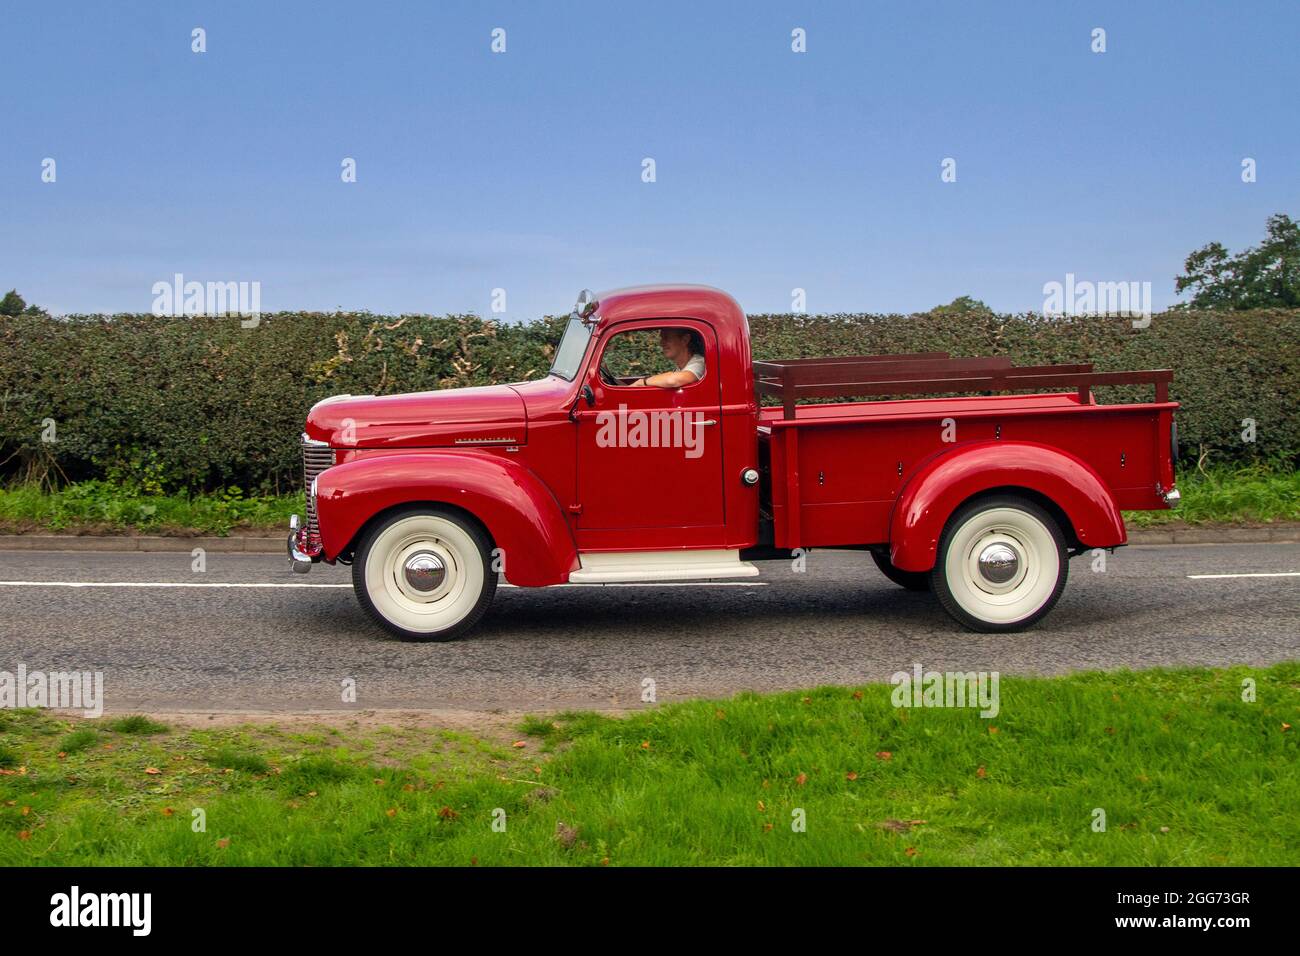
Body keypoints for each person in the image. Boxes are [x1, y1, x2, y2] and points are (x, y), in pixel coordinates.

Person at [632, 328, 706, 388]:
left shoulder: (700, 363)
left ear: (685, 340)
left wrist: (643, 382)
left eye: (666, 337)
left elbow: (672, 380)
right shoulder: (680, 369)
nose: (661, 343)